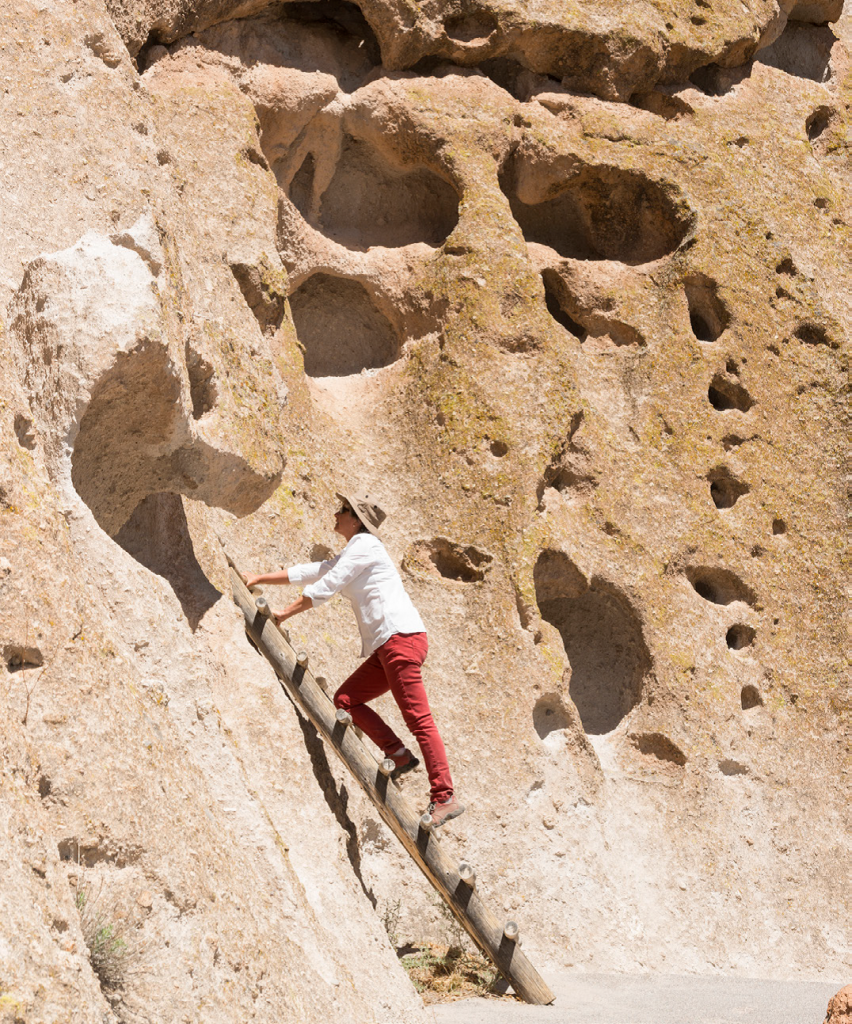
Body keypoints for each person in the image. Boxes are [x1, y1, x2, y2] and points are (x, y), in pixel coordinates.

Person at [244, 492, 464, 830]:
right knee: (347, 700)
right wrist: (259, 578)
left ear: (357, 521)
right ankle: (399, 756)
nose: (336, 513)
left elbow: (329, 584)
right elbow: (316, 571)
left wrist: (285, 613)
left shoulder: (366, 545)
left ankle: (444, 795)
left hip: (399, 640)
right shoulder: (356, 550)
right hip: (390, 644)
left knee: (419, 720)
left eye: (343, 510)